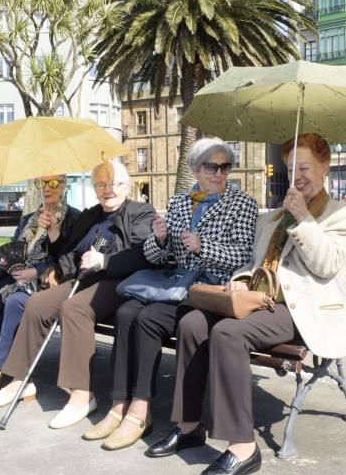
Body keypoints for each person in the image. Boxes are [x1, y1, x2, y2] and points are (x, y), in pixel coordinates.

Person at [146, 133, 346, 475]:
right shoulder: (275, 215)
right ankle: (188, 425)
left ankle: (243, 446)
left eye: (304, 168)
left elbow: (327, 264)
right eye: (290, 169)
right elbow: (253, 261)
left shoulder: (341, 214)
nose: (297, 177)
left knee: (228, 332)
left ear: (324, 167)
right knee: (193, 322)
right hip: (259, 300)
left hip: (300, 308)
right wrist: (242, 279)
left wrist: (304, 218)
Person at [83, 138, 258, 450]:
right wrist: (160, 239)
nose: (219, 173)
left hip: (208, 290)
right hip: (175, 284)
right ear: (195, 169)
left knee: (148, 318)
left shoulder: (241, 203)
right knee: (125, 313)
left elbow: (244, 257)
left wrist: (205, 246)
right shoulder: (179, 202)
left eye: (225, 167)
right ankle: (119, 403)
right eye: (211, 166)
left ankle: (140, 410)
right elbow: (156, 257)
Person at [0, 161, 156, 429]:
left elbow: (143, 255)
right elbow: (66, 252)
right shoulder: (90, 215)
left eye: (114, 184)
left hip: (119, 281)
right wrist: (53, 233)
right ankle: (19, 380)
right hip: (83, 279)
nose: (108, 190)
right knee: (37, 303)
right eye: (101, 184)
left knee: (74, 309)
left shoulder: (141, 212)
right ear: (94, 188)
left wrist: (104, 261)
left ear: (126, 185)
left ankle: (82, 395)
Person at [0, 175, 80, 403]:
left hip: (49, 281)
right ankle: (7, 361)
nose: (48, 188)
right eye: (43, 183)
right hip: (19, 278)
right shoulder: (28, 219)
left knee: (15, 301)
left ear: (64, 186)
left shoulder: (74, 218)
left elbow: (69, 261)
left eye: (54, 183)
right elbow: (11, 254)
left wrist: (38, 269)